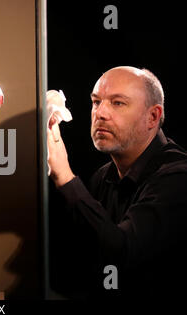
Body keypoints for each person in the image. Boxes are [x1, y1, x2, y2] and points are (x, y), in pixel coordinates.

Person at [47, 66, 187, 299]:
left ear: (153, 116)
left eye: (117, 103)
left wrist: (64, 176)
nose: (100, 113)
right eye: (96, 102)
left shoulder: (178, 177)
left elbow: (122, 253)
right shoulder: (103, 177)